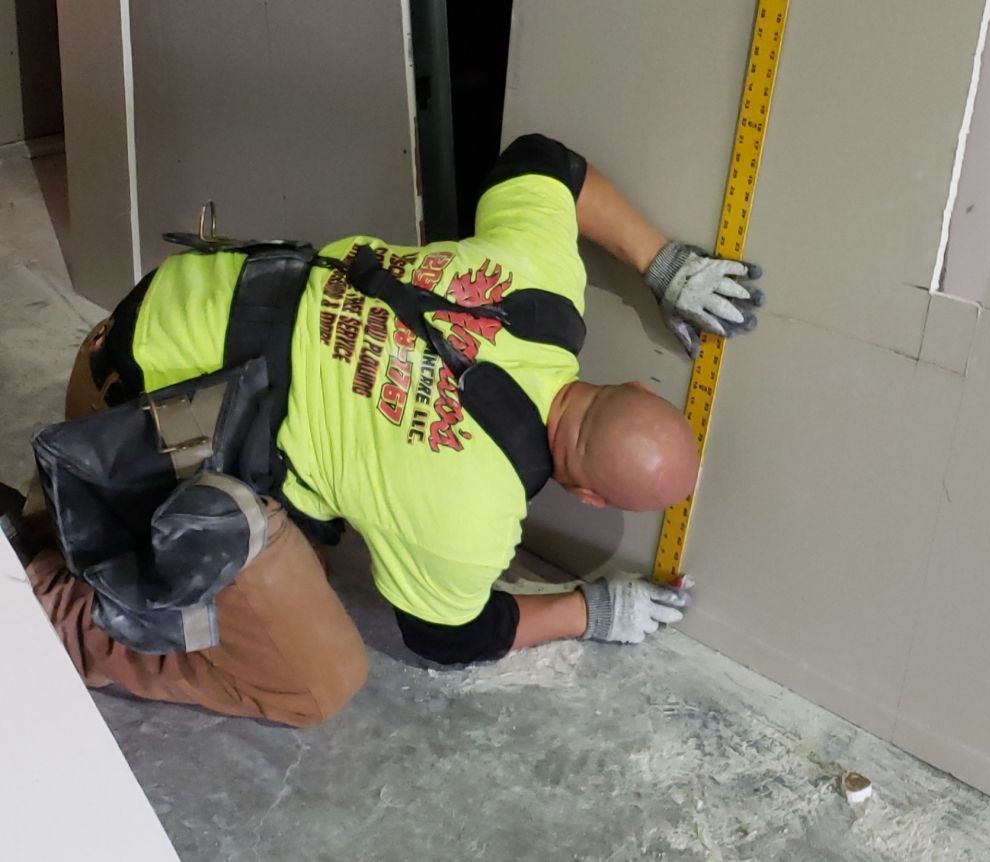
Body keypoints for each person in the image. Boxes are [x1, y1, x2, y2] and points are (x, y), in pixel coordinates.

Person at [12, 134, 765, 727]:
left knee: (326, 496)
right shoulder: (472, 518)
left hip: (161, 306)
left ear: (632, 384)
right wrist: (591, 611)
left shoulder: (543, 283)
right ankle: (38, 581)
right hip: (131, 423)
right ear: (591, 497)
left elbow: (542, 162)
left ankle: (114, 512)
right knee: (314, 683)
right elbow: (450, 637)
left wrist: (662, 262)